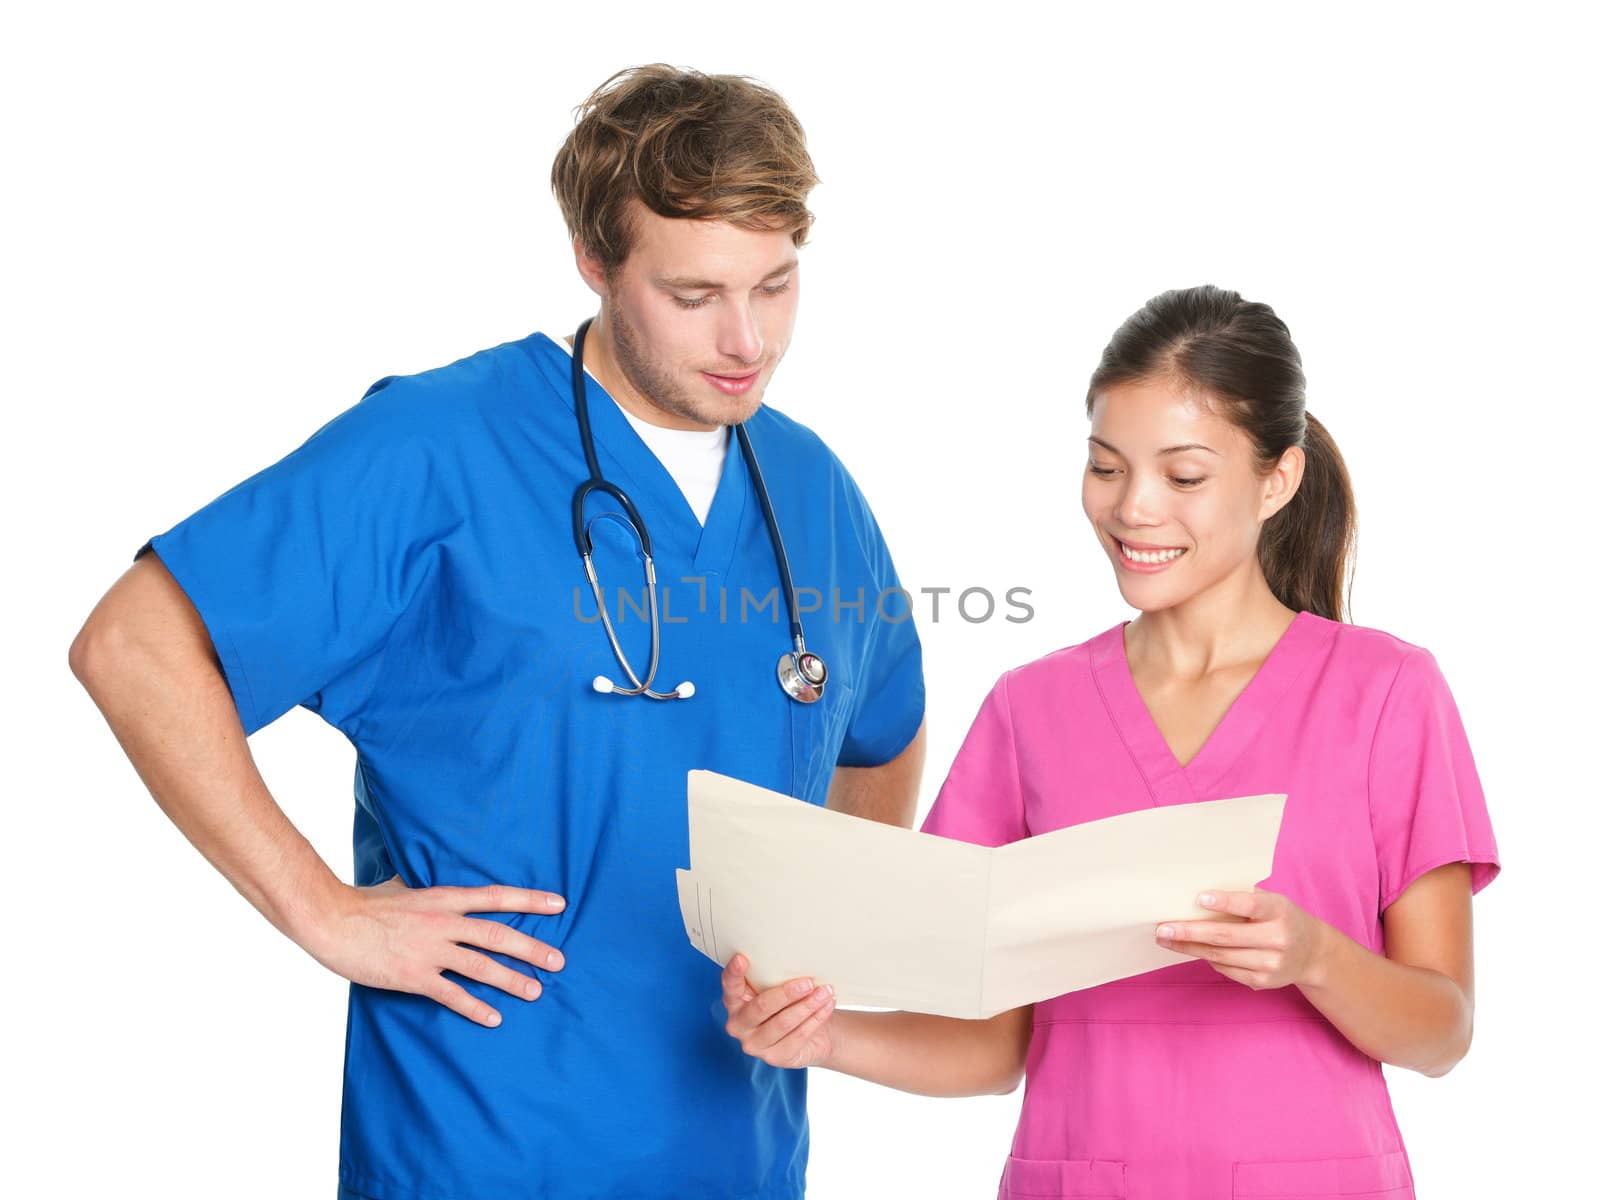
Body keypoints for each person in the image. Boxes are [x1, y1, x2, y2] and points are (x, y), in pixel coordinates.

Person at [68, 64, 927, 1200]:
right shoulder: (436, 448)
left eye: (774, 286)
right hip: (482, 1142)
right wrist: (325, 912)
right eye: (692, 294)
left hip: (739, 1152)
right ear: (594, 261)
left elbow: (880, 726)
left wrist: (828, 928)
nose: (745, 339)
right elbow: (133, 646)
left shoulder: (810, 489)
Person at [721, 285, 1500, 1200]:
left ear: (1278, 479)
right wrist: (824, 1036)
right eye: (1105, 466)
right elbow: (993, 1043)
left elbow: (1442, 1031)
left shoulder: (1388, 694)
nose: (1134, 509)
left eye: (1184, 476)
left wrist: (1315, 959)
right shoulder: (1032, 710)